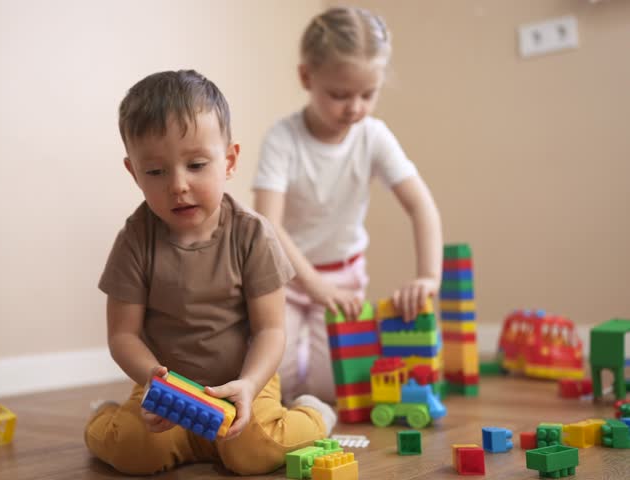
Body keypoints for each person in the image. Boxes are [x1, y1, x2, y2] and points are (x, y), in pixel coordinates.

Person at [85, 69, 336, 476]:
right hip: (168, 394)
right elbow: (123, 334)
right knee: (133, 450)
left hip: (243, 384)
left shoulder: (252, 234)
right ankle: (106, 417)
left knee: (255, 453)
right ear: (134, 173)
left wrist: (251, 385)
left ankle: (315, 414)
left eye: (196, 164)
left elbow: (271, 330)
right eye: (156, 172)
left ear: (230, 160)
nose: (178, 185)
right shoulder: (135, 240)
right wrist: (152, 381)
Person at [252, 6, 443, 405]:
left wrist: (428, 277)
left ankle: (309, 368)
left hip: (344, 284)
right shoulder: (283, 139)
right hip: (283, 280)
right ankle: (295, 360)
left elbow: (421, 206)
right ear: (307, 77)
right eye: (340, 95)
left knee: (335, 390)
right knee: (274, 385)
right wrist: (313, 284)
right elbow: (267, 225)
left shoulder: (373, 136)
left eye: (368, 94)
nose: (354, 107)